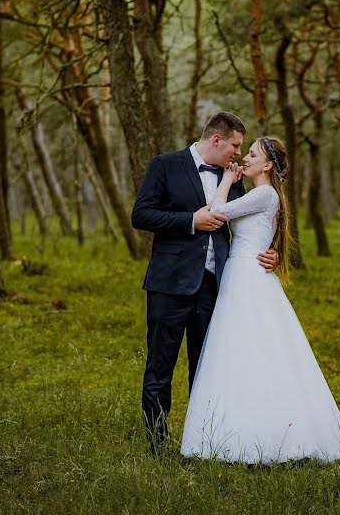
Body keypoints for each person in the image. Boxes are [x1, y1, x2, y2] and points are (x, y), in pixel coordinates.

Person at [180, 137, 340, 464]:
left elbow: (218, 212)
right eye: (245, 153)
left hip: (247, 277)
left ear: (267, 166)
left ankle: (258, 437)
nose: (244, 158)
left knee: (247, 350)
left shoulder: (263, 193)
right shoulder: (261, 195)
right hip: (243, 272)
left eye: (252, 154)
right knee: (246, 352)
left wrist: (227, 180)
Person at [131, 112, 280, 453]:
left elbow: (256, 218)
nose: (238, 154)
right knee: (160, 365)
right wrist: (190, 220)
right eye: (236, 145)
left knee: (208, 365)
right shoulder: (166, 165)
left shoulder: (235, 177)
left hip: (216, 286)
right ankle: (158, 442)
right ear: (217, 140)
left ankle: (205, 440)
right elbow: (141, 214)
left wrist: (272, 253)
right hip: (170, 284)